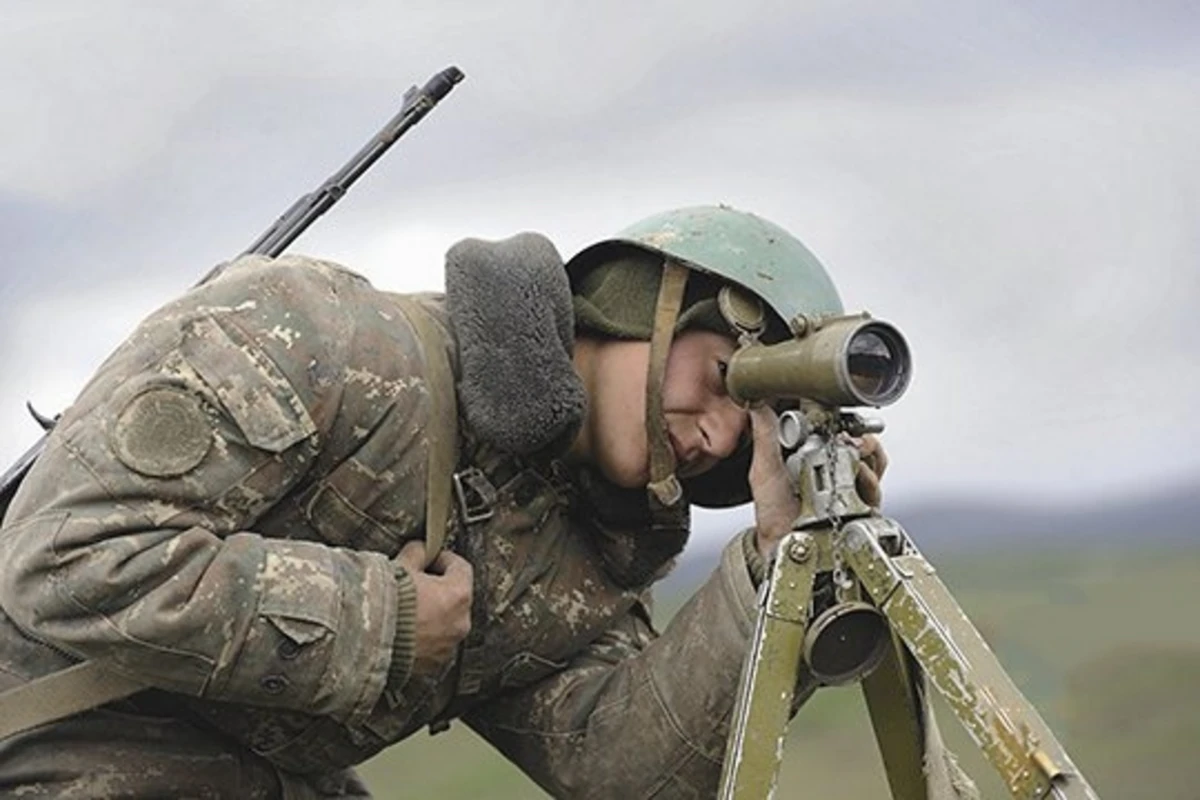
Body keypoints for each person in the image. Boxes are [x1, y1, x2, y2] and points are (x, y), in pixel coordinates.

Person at [0, 206, 975, 798]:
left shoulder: (581, 558)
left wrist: (773, 568)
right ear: (645, 303)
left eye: (749, 421)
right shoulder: (323, 339)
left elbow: (625, 773)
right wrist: (382, 620)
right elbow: (67, 559)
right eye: (723, 376)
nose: (718, 432)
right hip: (49, 748)